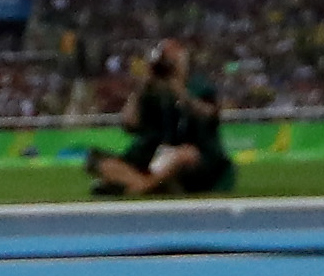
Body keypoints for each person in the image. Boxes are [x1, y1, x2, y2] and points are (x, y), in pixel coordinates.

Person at [86, 38, 232, 199]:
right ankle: (149, 184)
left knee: (182, 155)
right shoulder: (152, 91)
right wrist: (142, 86)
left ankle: (139, 185)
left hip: (195, 158)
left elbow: (210, 115)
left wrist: (180, 92)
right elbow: (129, 122)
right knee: (102, 162)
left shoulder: (198, 86)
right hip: (153, 154)